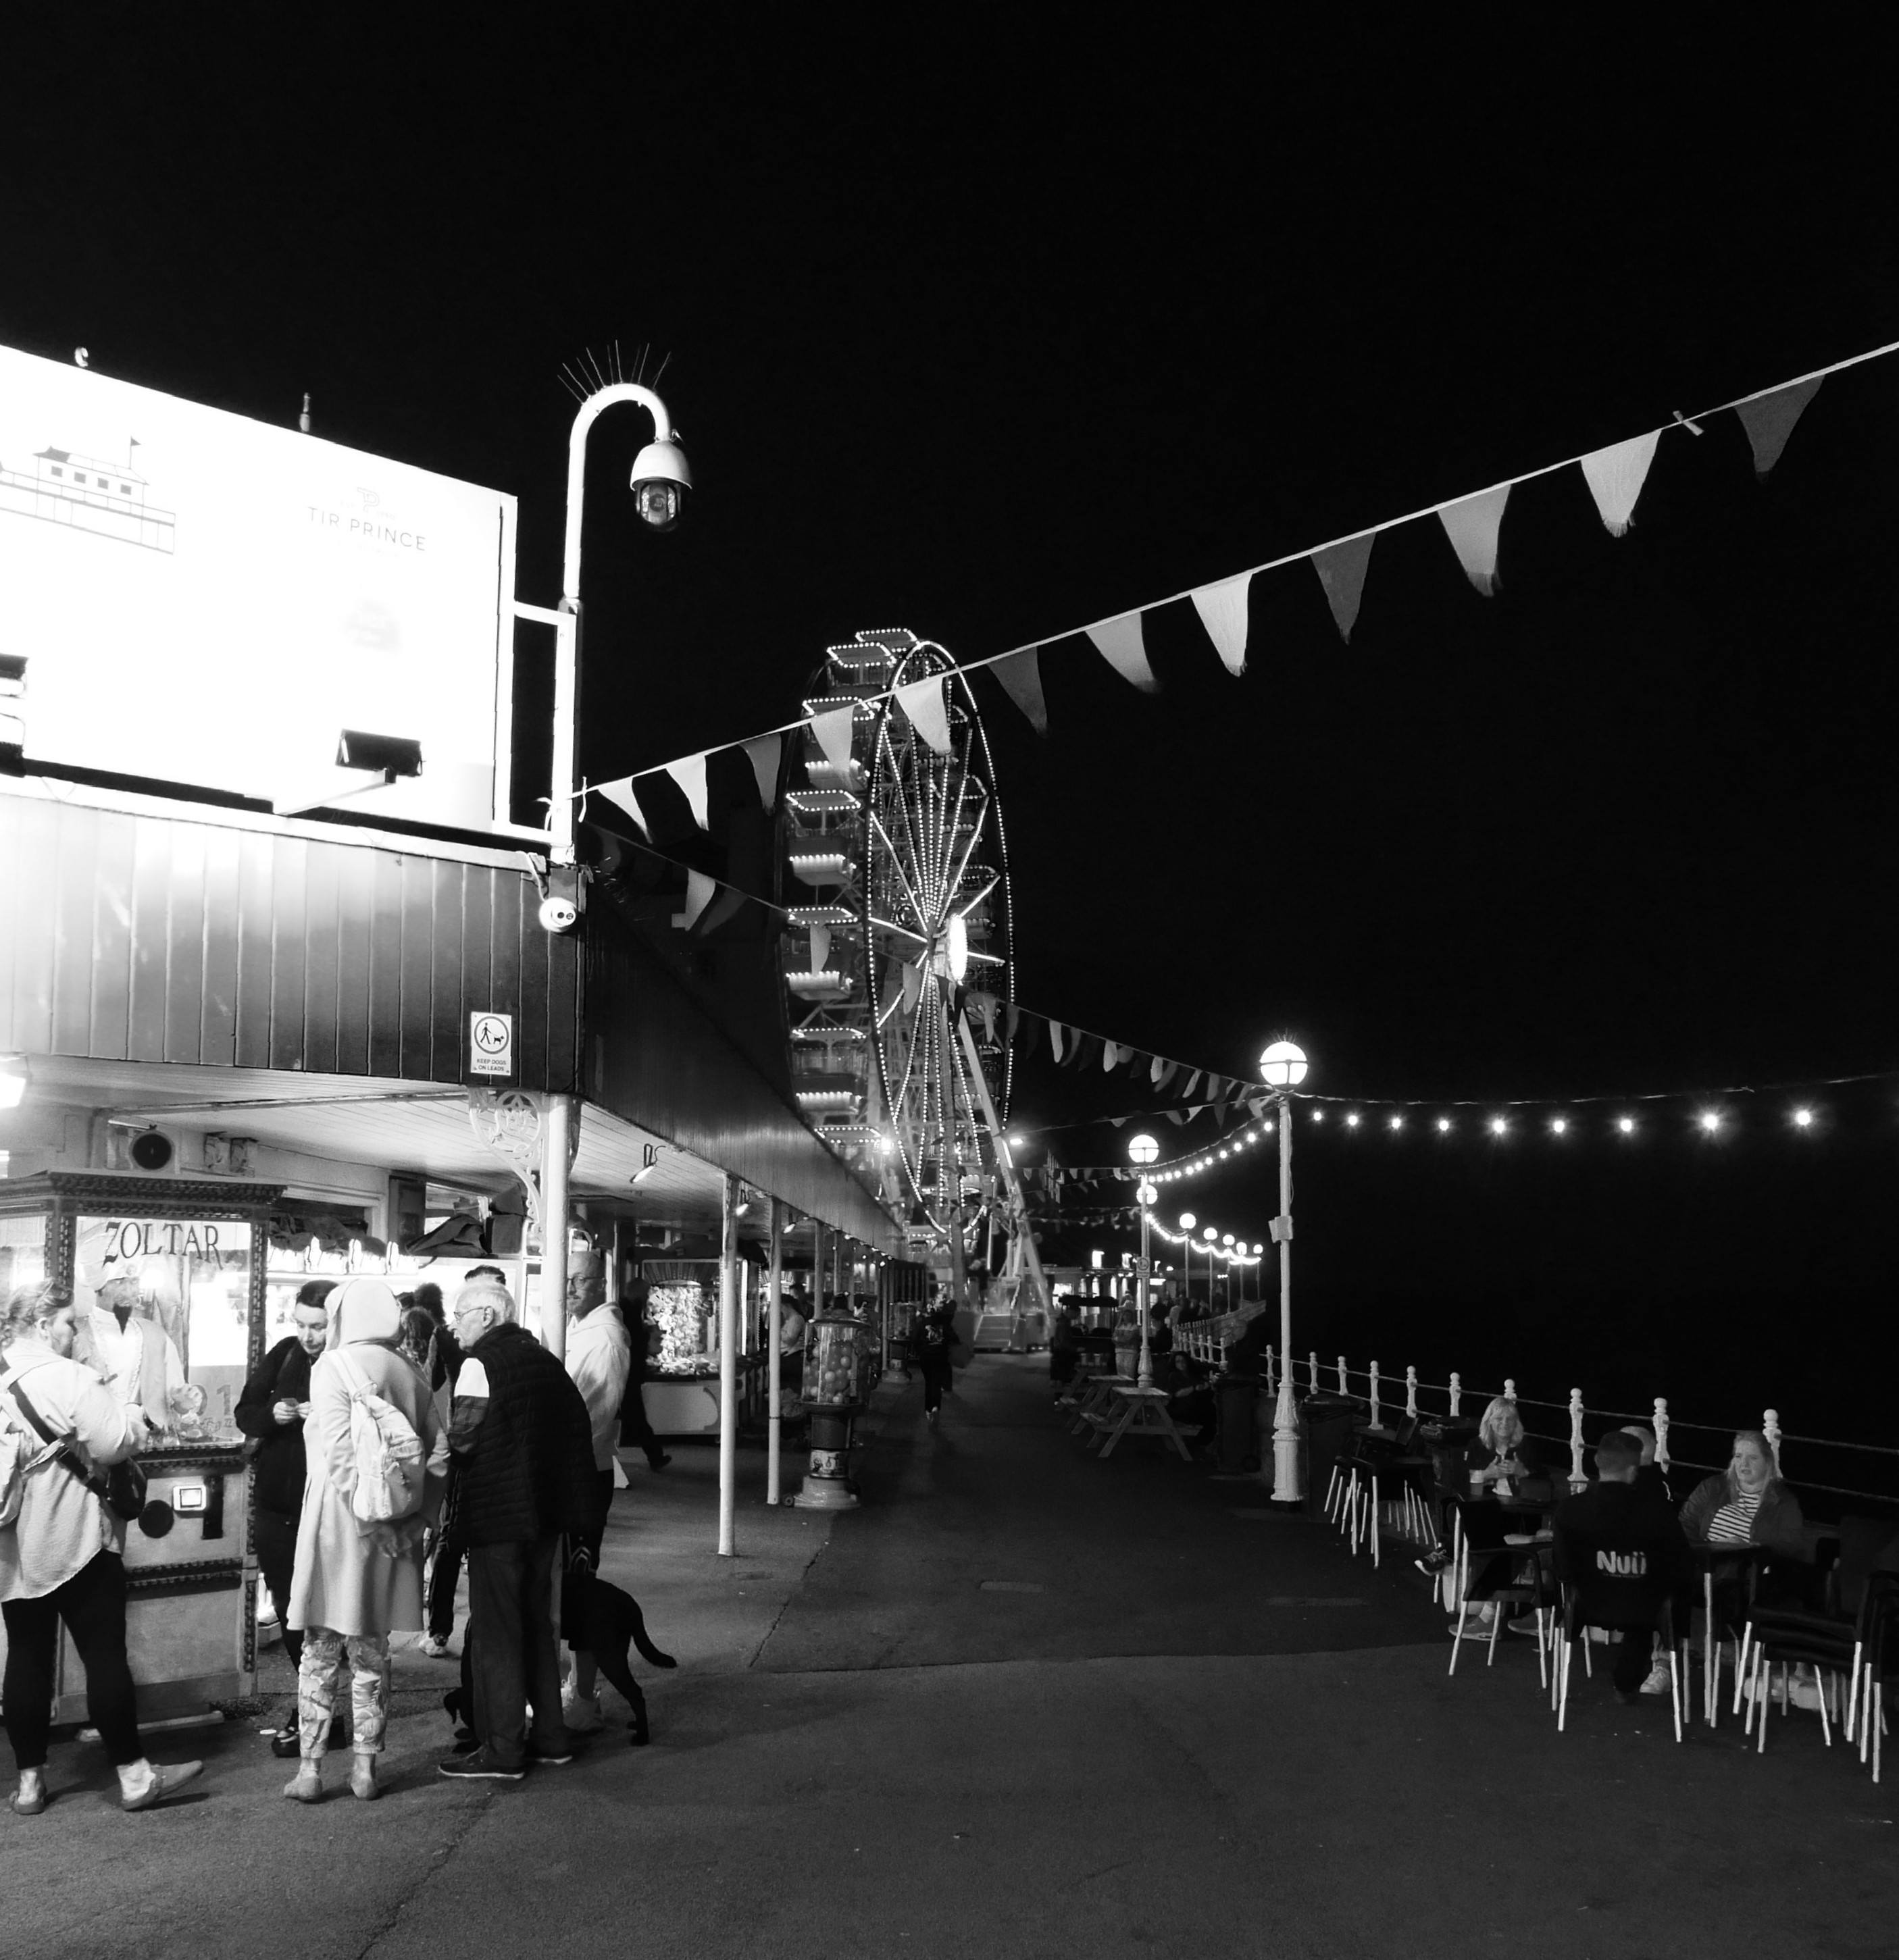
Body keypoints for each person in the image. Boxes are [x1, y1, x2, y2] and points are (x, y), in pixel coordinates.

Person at [1, 1281, 202, 1814]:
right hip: (78, 1541)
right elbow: (114, 1444)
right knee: (104, 1655)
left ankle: (29, 1784)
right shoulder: (68, 1377)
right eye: (69, 1322)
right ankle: (135, 1777)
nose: (75, 1331)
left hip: (14, 1553)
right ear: (43, 1325)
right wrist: (131, 1416)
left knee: (25, 1657)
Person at [284, 1277, 447, 1803]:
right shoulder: (410, 1370)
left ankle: (310, 1770)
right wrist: (415, 1517)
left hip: (338, 1527)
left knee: (320, 1649)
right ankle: (364, 1769)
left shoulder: (331, 1367)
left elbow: (337, 1455)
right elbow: (440, 1452)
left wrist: (364, 1514)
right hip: (393, 1534)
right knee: (373, 1654)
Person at [438, 1275, 597, 1782]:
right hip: (546, 1520)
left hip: (497, 1519)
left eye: (460, 1314)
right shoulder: (545, 1362)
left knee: (497, 1633)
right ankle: (551, 1737)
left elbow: (462, 1442)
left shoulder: (479, 1365)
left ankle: (503, 1749)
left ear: (486, 1316)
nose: (454, 1325)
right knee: (536, 1626)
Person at [234, 1278, 334, 1751]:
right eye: (301, 1324)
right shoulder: (285, 1353)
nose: (308, 1335)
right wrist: (273, 1414)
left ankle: (321, 1710)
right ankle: (309, 1706)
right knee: (292, 1611)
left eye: (317, 1326)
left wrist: (328, 1415)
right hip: (277, 1507)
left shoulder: (348, 1362)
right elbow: (245, 1410)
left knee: (325, 1614)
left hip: (329, 1510)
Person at [1553, 1428, 1692, 1701]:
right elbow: (1679, 1565)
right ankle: (1629, 1680)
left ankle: (1577, 1692)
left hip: (1586, 1605)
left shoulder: (1570, 1510)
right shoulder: (1656, 1512)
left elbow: (1563, 1568)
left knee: (1633, 1593)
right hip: (1643, 1608)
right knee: (1651, 1594)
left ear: (1597, 1462)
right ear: (1633, 1470)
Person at [561, 1249, 630, 1734]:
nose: (569, 1290)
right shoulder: (583, 1330)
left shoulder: (604, 1339)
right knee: (568, 1583)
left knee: (580, 1585)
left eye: (578, 1282)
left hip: (583, 1475)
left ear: (601, 1284)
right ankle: (576, 1688)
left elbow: (592, 1417)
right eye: (565, 1280)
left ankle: (583, 1695)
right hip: (577, 1472)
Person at [74, 1273, 185, 1434]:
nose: (129, 1290)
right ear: (99, 1286)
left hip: (148, 1444)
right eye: (119, 1282)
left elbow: (177, 1396)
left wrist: (182, 1404)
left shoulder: (155, 1334)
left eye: (134, 1282)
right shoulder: (75, 1333)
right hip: (90, 1441)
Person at [913, 1301, 959, 1423]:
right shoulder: (945, 1325)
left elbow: (915, 1339)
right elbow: (955, 1339)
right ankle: (936, 1407)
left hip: (926, 1358)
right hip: (941, 1357)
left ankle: (928, 1409)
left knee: (929, 1383)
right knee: (937, 1383)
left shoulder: (922, 1324)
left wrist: (920, 1352)